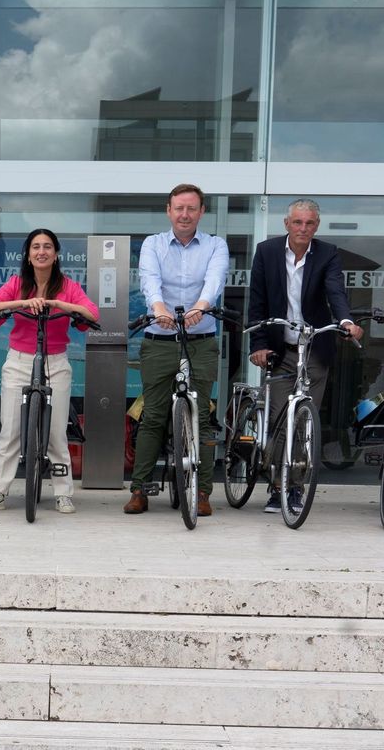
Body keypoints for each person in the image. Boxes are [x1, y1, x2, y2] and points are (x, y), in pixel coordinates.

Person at [248, 198, 363, 513]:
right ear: (287, 223)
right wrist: (258, 344)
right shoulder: (267, 252)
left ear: (317, 226)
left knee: (304, 421)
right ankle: (276, 487)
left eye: (309, 223)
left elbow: (335, 292)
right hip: (279, 347)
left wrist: (346, 322)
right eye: (297, 222)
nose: (303, 228)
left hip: (313, 348)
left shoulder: (327, 254)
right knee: (280, 420)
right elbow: (256, 302)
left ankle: (294, 488)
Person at [0, 229, 99, 515]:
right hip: (19, 360)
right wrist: (22, 303)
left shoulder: (68, 286)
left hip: (55, 361)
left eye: (47, 247)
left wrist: (58, 304)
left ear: (56, 254)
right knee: (10, 430)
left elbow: (91, 314)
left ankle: (62, 493)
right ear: (28, 254)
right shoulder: (17, 283)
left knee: (56, 432)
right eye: (35, 247)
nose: (41, 252)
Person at [126, 183, 229, 517]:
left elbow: (215, 280)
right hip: (160, 339)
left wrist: (201, 306)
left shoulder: (216, 245)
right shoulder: (153, 244)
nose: (185, 214)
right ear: (168, 211)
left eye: (191, 208)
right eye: (179, 208)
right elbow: (149, 279)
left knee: (202, 416)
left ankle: (201, 493)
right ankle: (140, 489)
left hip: (201, 340)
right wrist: (158, 308)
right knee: (153, 415)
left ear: (201, 212)